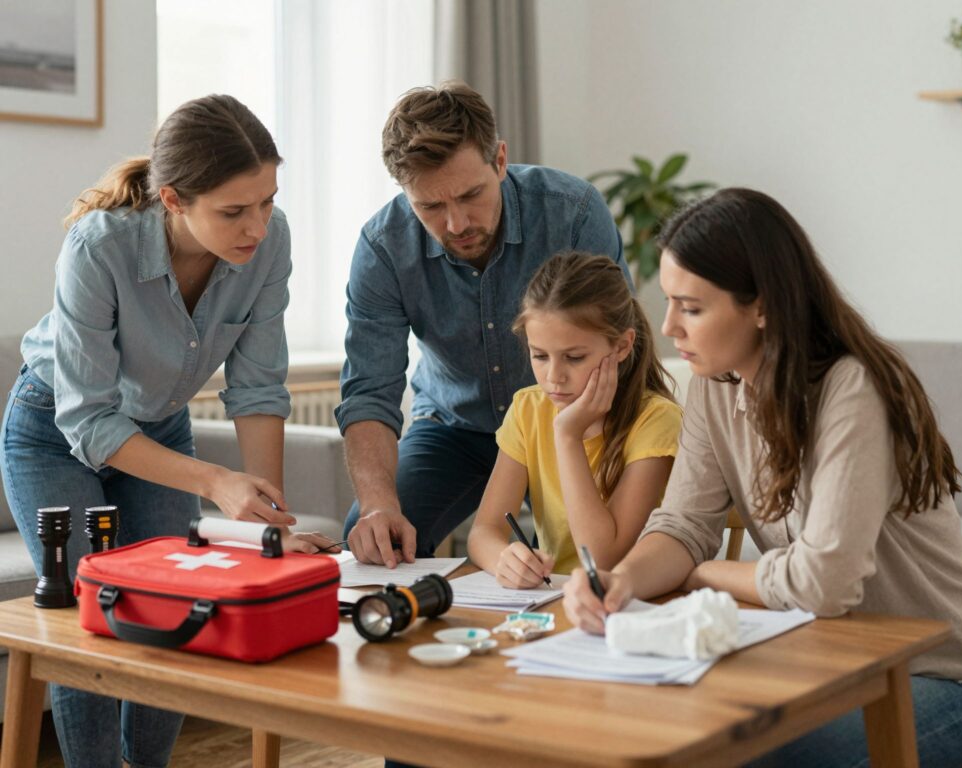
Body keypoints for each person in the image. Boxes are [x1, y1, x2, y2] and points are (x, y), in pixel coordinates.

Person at [563, 188, 962, 768]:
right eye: (670, 302)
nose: (668, 325)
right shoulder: (714, 386)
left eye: (692, 308)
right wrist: (619, 581)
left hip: (946, 678)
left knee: (753, 757)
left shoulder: (852, 389)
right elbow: (682, 525)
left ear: (762, 307)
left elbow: (822, 585)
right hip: (828, 662)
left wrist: (708, 574)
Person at [0, 94, 336, 768]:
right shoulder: (101, 245)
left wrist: (270, 522)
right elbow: (89, 419)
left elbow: (259, 385)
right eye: (235, 211)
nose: (259, 227)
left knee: (176, 608)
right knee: (87, 610)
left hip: (156, 427)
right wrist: (216, 482)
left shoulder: (271, 244)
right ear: (175, 200)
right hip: (53, 428)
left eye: (268, 201)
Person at [338, 82, 627, 567]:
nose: (456, 224)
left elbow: (618, 342)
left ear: (499, 159)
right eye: (430, 206)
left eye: (471, 195)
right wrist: (378, 503)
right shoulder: (383, 246)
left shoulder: (572, 211)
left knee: (604, 562)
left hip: (571, 419)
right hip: (455, 426)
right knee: (372, 542)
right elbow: (369, 391)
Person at [467, 252, 681, 585]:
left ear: (622, 346)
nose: (554, 377)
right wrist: (504, 561)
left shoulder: (656, 421)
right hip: (558, 600)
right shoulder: (527, 410)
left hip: (634, 602)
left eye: (575, 357)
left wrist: (568, 436)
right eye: (539, 355)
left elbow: (601, 559)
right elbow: (484, 531)